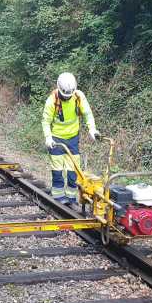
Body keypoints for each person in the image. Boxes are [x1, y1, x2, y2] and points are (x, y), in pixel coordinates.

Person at [42, 72, 100, 205]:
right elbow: (46, 121)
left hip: (73, 138)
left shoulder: (78, 97)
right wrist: (48, 137)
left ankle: (71, 198)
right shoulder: (52, 100)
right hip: (56, 138)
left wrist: (92, 128)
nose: (66, 98)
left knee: (73, 170)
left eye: (69, 96)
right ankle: (57, 198)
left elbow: (87, 114)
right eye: (64, 96)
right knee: (57, 170)